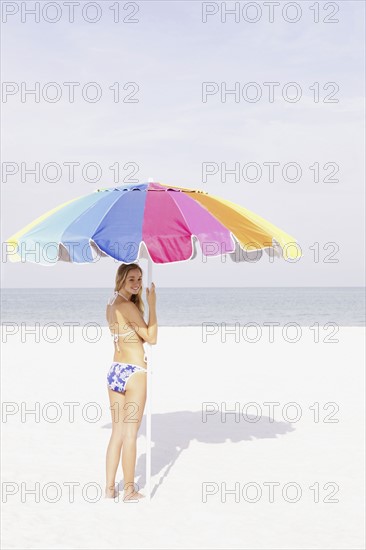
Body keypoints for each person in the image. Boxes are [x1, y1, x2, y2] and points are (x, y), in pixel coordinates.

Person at [104, 262, 157, 501]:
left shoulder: (111, 303)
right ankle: (129, 490)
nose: (136, 284)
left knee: (117, 432)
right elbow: (151, 337)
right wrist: (153, 304)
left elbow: (131, 336)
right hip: (134, 372)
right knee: (129, 434)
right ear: (121, 280)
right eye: (131, 279)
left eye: (139, 279)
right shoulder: (127, 306)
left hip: (115, 371)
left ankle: (108, 489)